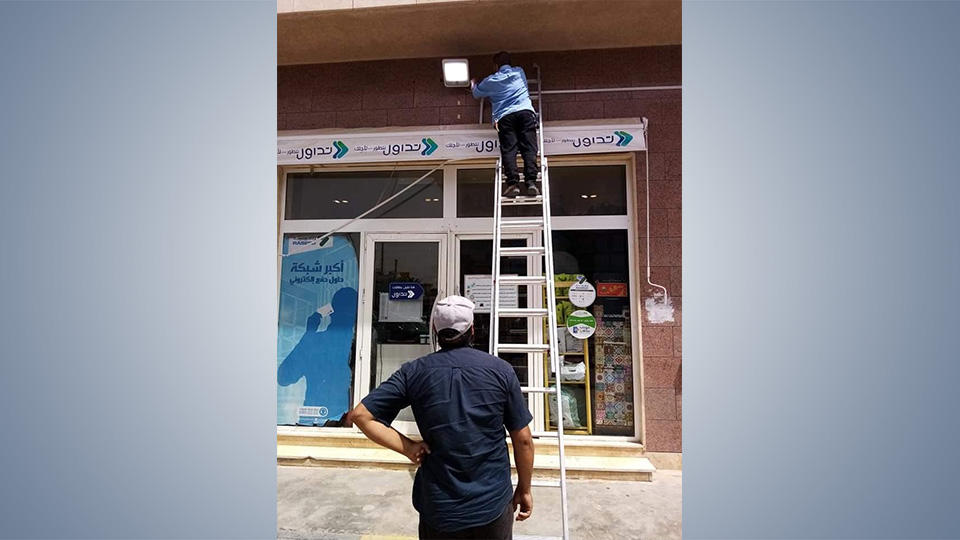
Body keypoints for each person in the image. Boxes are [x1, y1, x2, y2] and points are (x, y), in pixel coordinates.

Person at [347, 295, 535, 540]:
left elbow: (361, 415)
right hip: (491, 504)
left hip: (439, 507)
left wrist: (409, 448)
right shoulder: (501, 371)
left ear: (435, 330)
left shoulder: (414, 371)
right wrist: (524, 489)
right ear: (472, 329)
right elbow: (523, 440)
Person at [278, 287, 358, 426]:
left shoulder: (318, 341)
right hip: (321, 421)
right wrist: (309, 336)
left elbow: (284, 378)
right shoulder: (319, 342)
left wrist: (309, 335)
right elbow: (283, 378)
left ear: (331, 314)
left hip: (329, 422)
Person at [471, 51, 540, 199]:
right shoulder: (519, 72)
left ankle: (513, 184)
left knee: (509, 149)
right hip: (525, 113)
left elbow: (476, 93)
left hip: (505, 117)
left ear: (496, 66)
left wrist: (473, 83)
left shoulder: (491, 80)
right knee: (529, 147)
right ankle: (531, 182)